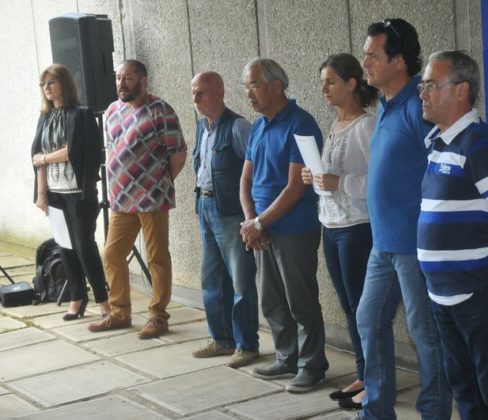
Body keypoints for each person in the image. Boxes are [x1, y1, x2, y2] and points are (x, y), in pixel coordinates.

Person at [417, 50, 488, 420]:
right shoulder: (437, 143)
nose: (423, 93)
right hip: (445, 295)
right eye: (423, 86)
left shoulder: (479, 143)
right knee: (467, 393)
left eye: (431, 85)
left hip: (482, 292)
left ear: (461, 90)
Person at [355, 19, 451, 420]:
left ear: (398, 61)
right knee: (368, 319)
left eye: (372, 56)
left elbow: (444, 173)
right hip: (383, 245)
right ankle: (376, 411)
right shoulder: (385, 106)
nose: (365, 63)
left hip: (414, 247)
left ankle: (434, 413)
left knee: (425, 334)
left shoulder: (418, 106)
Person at [240, 58, 328, 393]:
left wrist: (259, 222)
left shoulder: (301, 123)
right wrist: (252, 221)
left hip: (294, 228)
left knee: (300, 300)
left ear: (276, 86)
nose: (248, 93)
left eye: (254, 85)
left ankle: (312, 365)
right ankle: (287, 357)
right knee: (271, 299)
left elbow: (296, 187)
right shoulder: (258, 125)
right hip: (262, 228)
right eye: (246, 86)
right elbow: (245, 179)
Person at [87, 59, 187, 339]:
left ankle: (158, 316)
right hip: (121, 200)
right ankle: (120, 313)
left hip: (152, 199)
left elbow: (178, 153)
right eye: (118, 78)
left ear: (143, 81)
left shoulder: (160, 110)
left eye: (128, 78)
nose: (121, 83)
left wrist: (159, 183)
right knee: (112, 254)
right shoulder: (112, 110)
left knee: (157, 258)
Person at [300, 53, 377, 410]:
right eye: (322, 82)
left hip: (357, 227)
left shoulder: (367, 126)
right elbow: (329, 179)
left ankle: (375, 381)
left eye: (330, 81)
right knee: (349, 306)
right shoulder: (334, 124)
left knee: (363, 308)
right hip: (330, 225)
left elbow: (379, 182)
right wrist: (314, 177)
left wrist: (339, 182)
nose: (324, 89)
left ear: (352, 83)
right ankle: (363, 373)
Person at [30, 64, 111, 320]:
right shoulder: (45, 117)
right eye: (43, 84)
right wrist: (41, 194)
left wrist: (45, 158)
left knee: (84, 247)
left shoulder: (81, 115)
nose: (46, 88)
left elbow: (74, 151)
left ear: (64, 84)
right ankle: (77, 297)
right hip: (54, 194)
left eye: (51, 82)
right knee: (64, 248)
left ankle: (103, 300)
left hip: (79, 193)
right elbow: (36, 157)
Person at [190, 71, 259, 367]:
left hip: (230, 213)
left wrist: (252, 215)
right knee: (211, 278)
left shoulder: (238, 126)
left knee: (240, 279)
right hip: (205, 206)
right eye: (193, 93)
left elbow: (255, 170)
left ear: (220, 93)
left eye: (201, 93)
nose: (195, 99)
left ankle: (247, 344)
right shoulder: (201, 127)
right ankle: (221, 339)